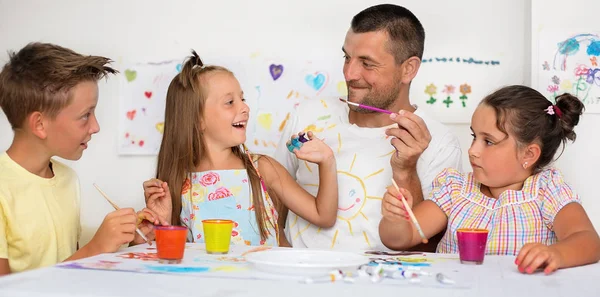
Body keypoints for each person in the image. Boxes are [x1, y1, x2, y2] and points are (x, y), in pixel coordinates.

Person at [274, 4, 462, 250]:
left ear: (408, 69)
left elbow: (425, 248)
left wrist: (406, 170)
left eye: (367, 63)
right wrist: (282, 254)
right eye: (347, 57)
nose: (350, 74)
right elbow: (271, 201)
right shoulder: (307, 115)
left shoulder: (440, 143)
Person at [380, 85, 600, 274]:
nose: (473, 150)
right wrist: (395, 219)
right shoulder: (456, 190)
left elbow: (589, 242)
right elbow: (402, 238)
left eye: (489, 141)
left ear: (529, 155)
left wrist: (556, 254)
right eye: (475, 136)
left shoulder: (547, 191)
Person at [142, 50, 338, 247]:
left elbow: (324, 216)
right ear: (197, 119)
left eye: (242, 99)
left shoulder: (263, 169)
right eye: (230, 102)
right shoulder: (177, 182)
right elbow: (168, 256)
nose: (245, 108)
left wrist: (326, 161)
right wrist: (162, 223)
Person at [0, 42, 163, 275]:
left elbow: (68, 264)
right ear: (40, 124)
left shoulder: (67, 178)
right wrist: (96, 247)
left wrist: (125, 237)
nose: (95, 127)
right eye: (85, 115)